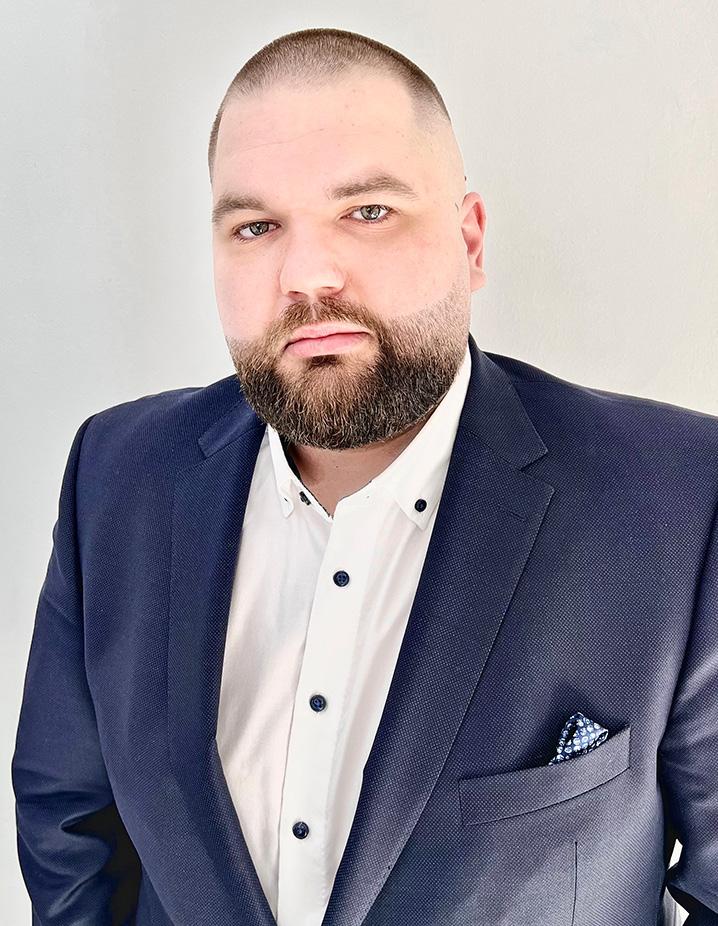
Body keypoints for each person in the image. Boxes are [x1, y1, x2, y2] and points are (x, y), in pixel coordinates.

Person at [11, 26, 717, 926]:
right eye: (256, 226)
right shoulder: (116, 477)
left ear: (469, 240)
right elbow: (69, 824)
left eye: (368, 211)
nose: (307, 275)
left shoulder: (679, 500)